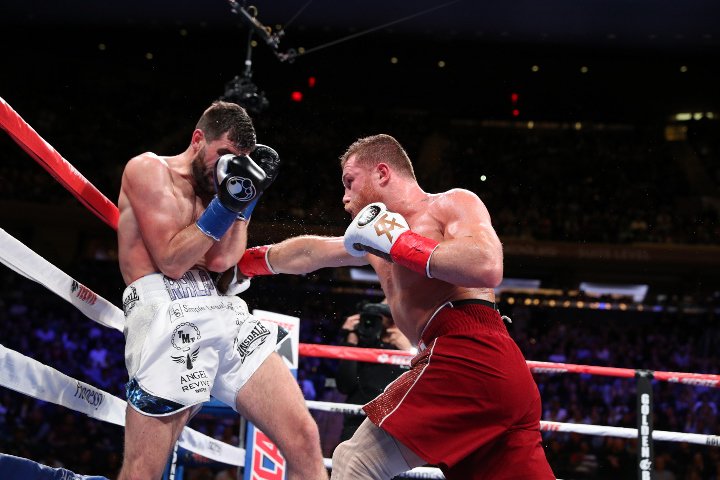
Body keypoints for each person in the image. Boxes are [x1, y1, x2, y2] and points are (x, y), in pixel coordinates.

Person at [232, 134, 556, 479]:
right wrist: (241, 264)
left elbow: (487, 266)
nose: (344, 198)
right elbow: (311, 252)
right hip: (493, 375)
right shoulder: (372, 238)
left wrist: (400, 242)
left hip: (468, 353)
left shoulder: (448, 204)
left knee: (354, 460)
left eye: (350, 182)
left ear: (382, 173)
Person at [116, 100, 327, 480]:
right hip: (163, 310)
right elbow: (172, 262)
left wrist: (245, 200)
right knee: (144, 469)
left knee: (304, 438)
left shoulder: (218, 189)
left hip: (217, 306)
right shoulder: (149, 169)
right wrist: (225, 205)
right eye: (224, 155)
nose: (226, 167)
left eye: (238, 161)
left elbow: (221, 261)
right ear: (198, 139)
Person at [336, 301, 412, 442]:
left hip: (397, 427)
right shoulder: (361, 346)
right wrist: (350, 342)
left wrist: (408, 352)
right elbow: (344, 386)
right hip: (356, 425)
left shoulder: (411, 347)